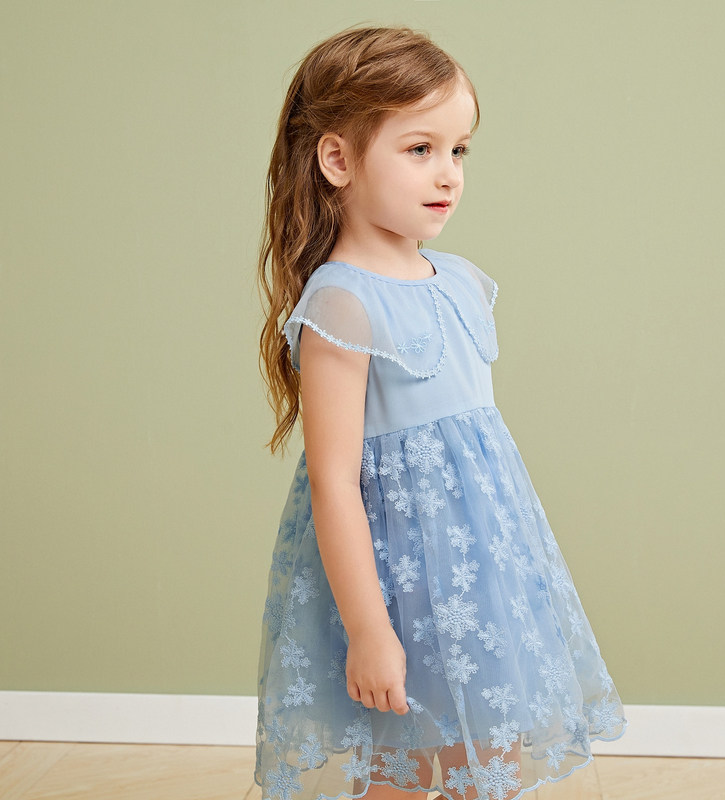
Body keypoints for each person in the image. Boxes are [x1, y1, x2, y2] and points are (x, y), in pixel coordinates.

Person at [254, 26, 626, 800]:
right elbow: (332, 482)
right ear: (337, 160)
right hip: (395, 585)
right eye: (420, 149)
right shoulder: (343, 303)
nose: (448, 173)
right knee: (401, 764)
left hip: (480, 577)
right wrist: (369, 630)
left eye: (459, 150)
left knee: (482, 762)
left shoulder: (460, 281)